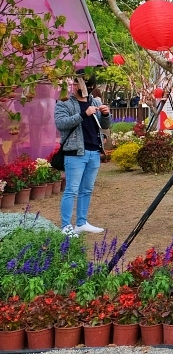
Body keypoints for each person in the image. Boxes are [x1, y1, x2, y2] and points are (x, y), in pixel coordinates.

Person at [55, 73, 111, 236]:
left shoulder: (95, 102)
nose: (86, 88)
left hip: (94, 151)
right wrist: (83, 114)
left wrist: (106, 114)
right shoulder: (64, 103)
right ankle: (66, 226)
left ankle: (81, 222)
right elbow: (61, 124)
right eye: (82, 85)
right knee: (71, 190)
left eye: (89, 86)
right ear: (75, 85)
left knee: (87, 189)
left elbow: (105, 125)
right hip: (75, 152)